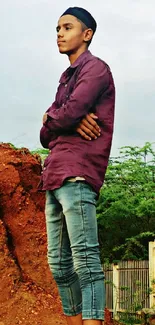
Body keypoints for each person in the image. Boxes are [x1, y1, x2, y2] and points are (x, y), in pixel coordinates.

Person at [39, 6, 115, 325]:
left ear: (87, 35)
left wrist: (57, 116)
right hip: (54, 175)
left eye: (67, 27)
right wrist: (58, 119)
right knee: (58, 264)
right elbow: (45, 135)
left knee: (85, 262)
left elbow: (63, 115)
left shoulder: (95, 69)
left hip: (79, 174)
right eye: (57, 28)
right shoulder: (66, 77)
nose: (59, 33)